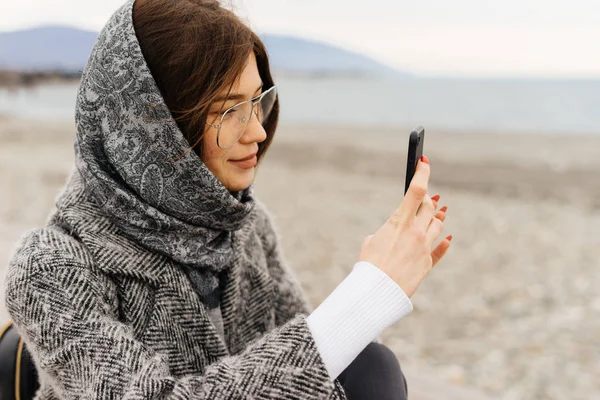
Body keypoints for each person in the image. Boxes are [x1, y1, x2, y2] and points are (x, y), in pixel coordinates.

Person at [2, 0, 452, 398]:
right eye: (230, 110)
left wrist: (382, 285)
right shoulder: (51, 266)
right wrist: (365, 294)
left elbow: (317, 360)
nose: (257, 130)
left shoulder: (244, 226)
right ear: (149, 126)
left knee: (372, 366)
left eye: (259, 101)